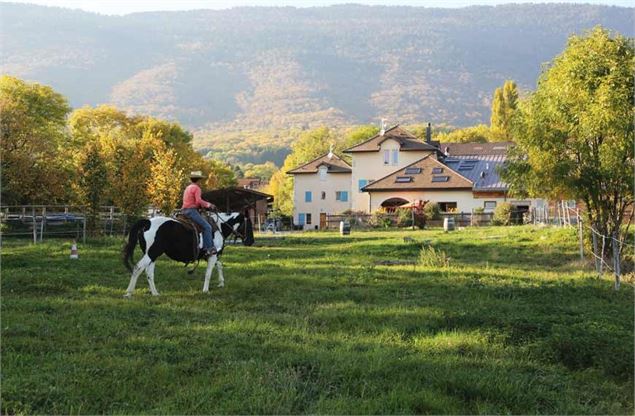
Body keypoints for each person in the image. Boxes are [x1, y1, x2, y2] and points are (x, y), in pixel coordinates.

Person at [181, 171, 217, 257]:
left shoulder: (188, 188)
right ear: (199, 180)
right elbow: (198, 201)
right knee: (207, 227)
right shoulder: (197, 188)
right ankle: (208, 249)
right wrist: (209, 205)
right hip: (191, 211)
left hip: (183, 211)